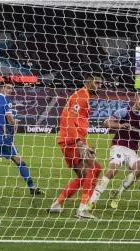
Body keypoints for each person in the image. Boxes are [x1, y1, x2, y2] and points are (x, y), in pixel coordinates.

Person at [47, 74, 103, 219]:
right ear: (87, 82)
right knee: (94, 169)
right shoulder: (81, 96)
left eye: (100, 84)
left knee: (83, 176)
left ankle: (57, 205)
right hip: (72, 141)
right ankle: (82, 210)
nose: (99, 86)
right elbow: (70, 119)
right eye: (96, 83)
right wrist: (79, 143)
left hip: (71, 140)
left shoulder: (83, 96)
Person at [89, 90, 140, 210]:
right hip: (119, 146)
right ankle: (92, 199)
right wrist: (120, 125)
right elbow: (106, 122)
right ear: (135, 99)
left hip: (132, 151)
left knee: (139, 169)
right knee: (113, 170)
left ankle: (117, 194)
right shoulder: (124, 112)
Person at [0, 80, 43, 195]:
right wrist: (12, 123)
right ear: (1, 88)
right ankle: (32, 188)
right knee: (19, 161)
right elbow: (9, 117)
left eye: (11, 88)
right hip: (1, 138)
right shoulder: (6, 101)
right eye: (8, 87)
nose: (10, 90)